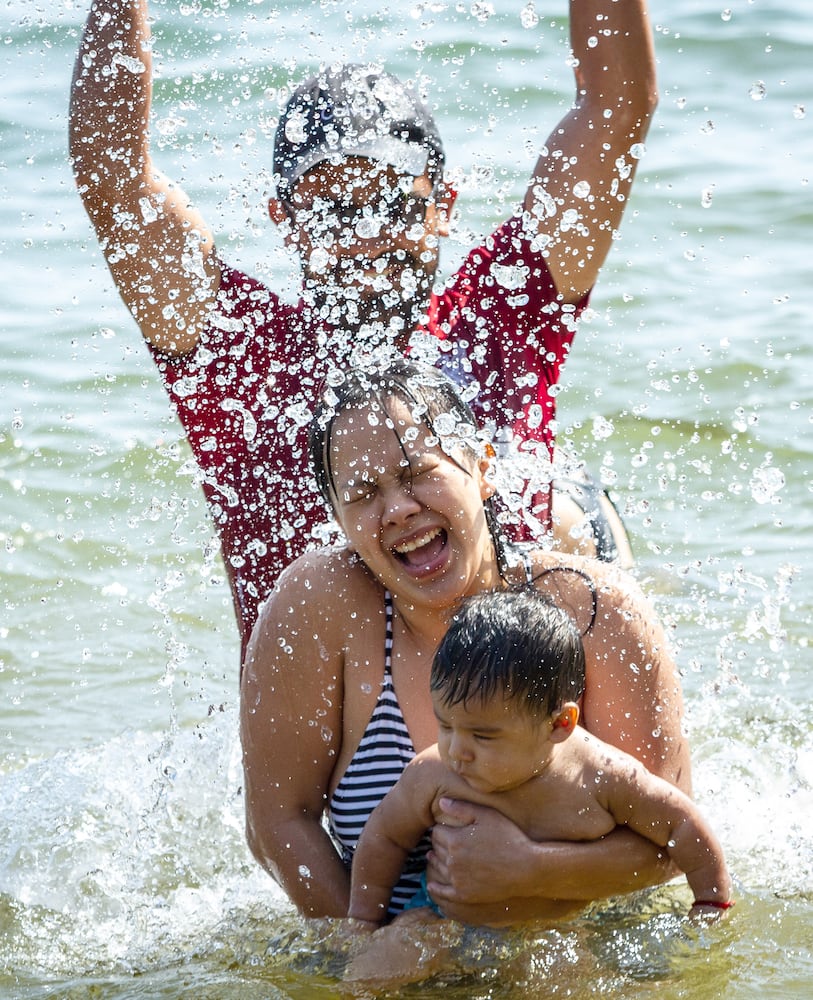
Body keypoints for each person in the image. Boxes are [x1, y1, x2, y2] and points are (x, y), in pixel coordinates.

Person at [69, 0, 653, 657]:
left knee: (568, 529)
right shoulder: (241, 356)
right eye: (333, 212)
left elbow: (616, 109)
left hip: (511, 697)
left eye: (393, 202)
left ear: (442, 207)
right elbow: (111, 174)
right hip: (329, 720)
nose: (366, 237)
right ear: (284, 222)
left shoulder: (498, 314)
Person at [240, 360, 692, 926]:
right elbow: (278, 824)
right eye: (363, 494)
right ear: (338, 519)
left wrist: (534, 870)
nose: (398, 508)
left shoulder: (598, 610)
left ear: (482, 468)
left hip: (576, 939)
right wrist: (366, 950)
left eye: (416, 473)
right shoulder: (318, 606)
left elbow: (674, 843)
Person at [344, 588, 732, 985]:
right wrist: (361, 922)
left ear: (559, 724)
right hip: (445, 917)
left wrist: (711, 903)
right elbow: (384, 837)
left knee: (573, 981)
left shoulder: (601, 776)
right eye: (446, 725)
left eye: (483, 736)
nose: (457, 751)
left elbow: (682, 826)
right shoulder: (435, 773)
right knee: (371, 972)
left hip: (559, 928)